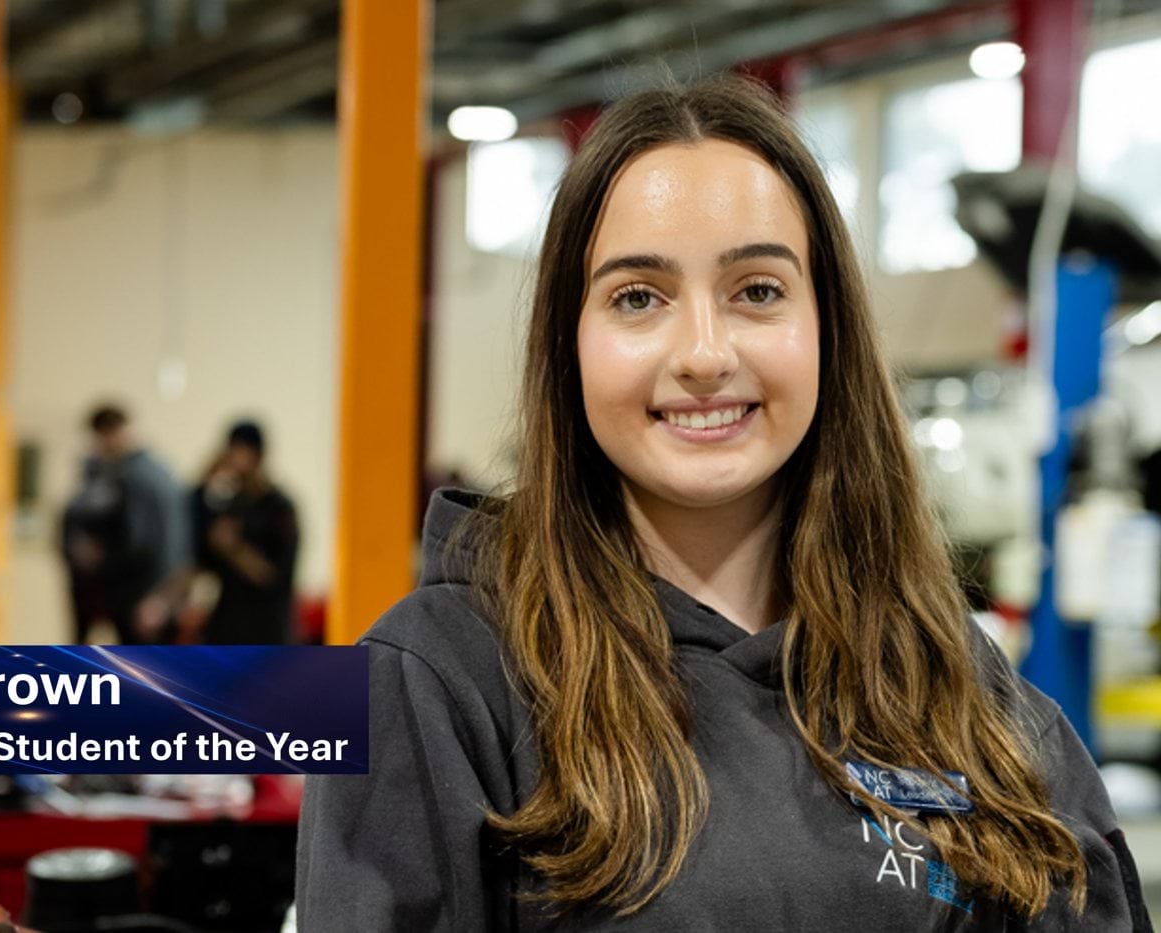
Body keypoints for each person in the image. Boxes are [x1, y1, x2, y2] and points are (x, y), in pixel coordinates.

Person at [296, 78, 1150, 930]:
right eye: (639, 298)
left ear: (828, 330)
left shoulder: (950, 674)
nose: (704, 353)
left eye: (757, 290)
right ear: (570, 346)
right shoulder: (437, 678)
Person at [60, 405, 189, 645]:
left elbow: (160, 542)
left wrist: (158, 599)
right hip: (138, 594)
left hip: (142, 595)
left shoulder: (140, 478)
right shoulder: (128, 473)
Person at [189, 420, 299, 645]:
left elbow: (273, 577)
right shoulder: (230, 505)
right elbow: (203, 560)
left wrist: (233, 548)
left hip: (266, 630)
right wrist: (206, 481)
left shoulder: (278, 508)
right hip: (226, 627)